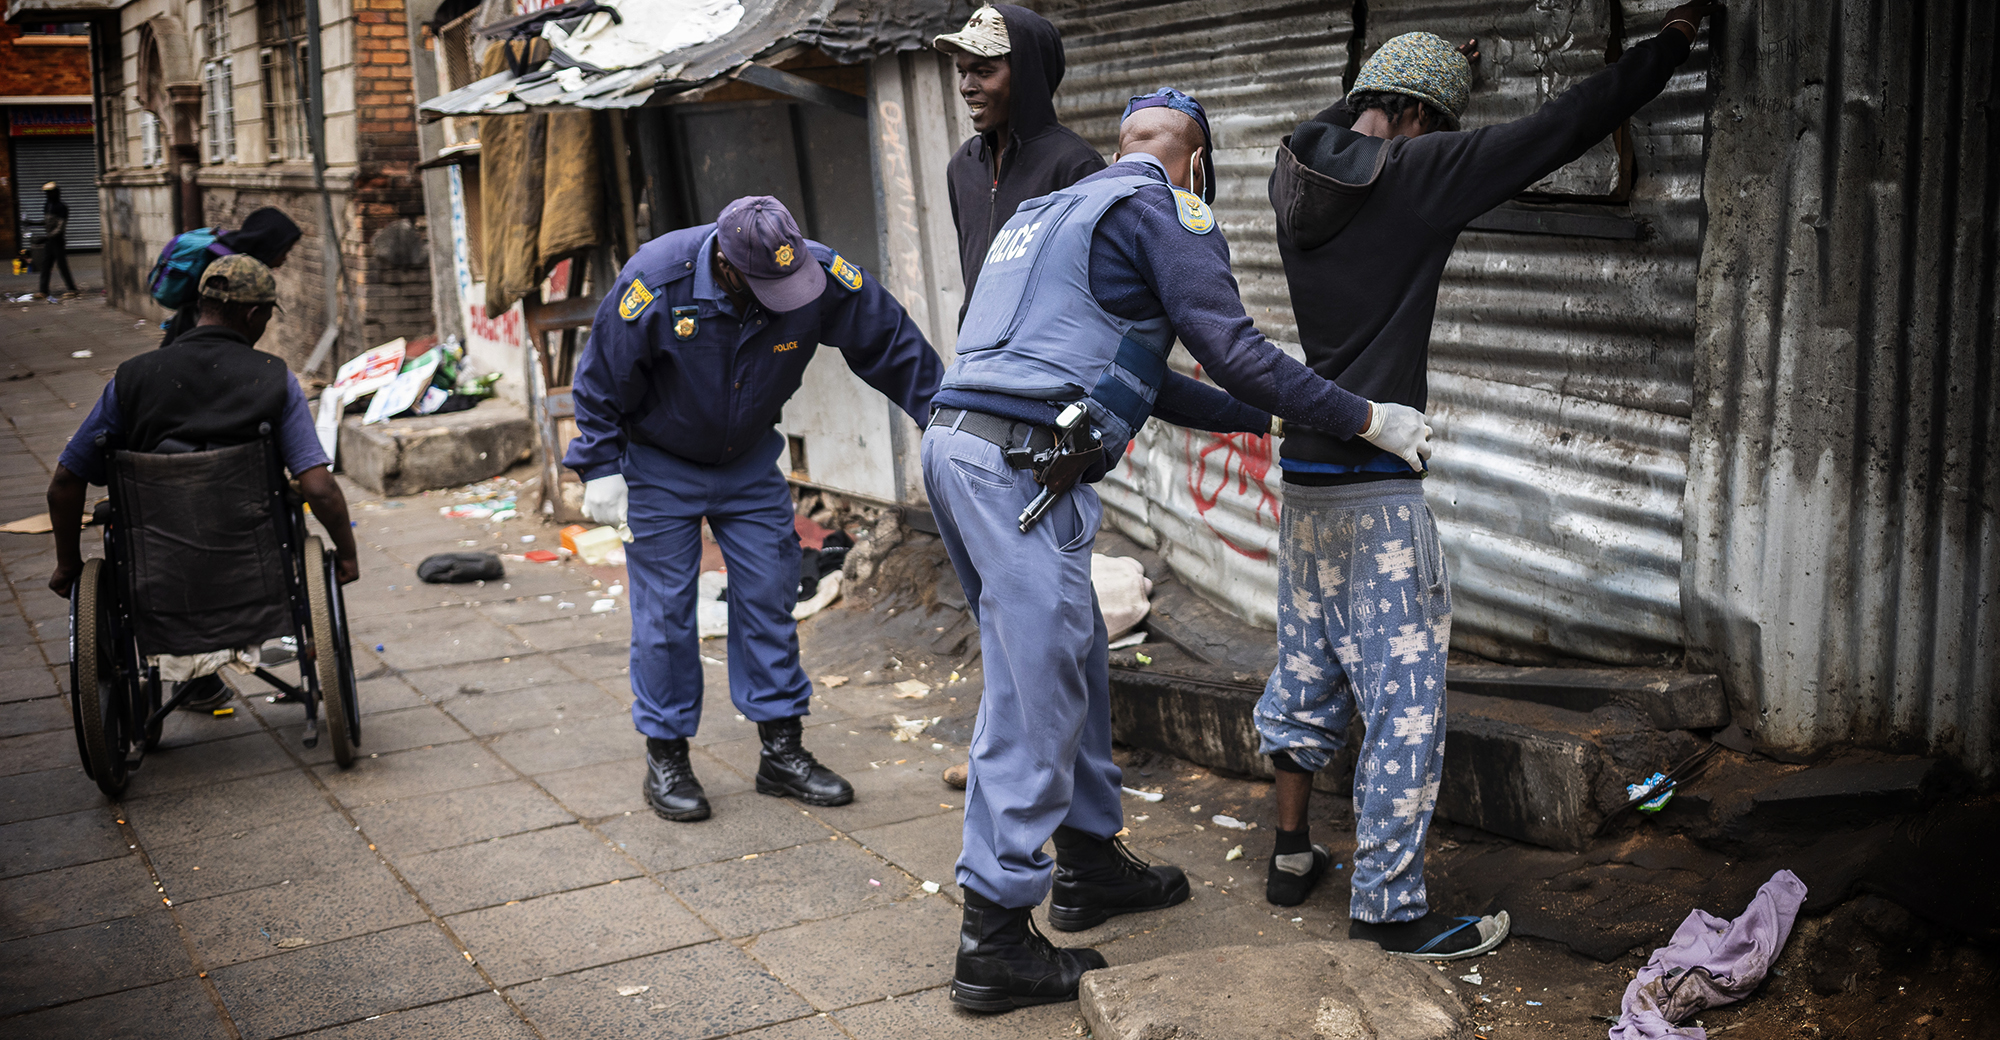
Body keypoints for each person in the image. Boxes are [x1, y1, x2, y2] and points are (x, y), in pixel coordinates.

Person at [922, 88, 1434, 1013]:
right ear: (1198, 161)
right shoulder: (1168, 206)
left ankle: (1087, 863)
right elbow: (1231, 348)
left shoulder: (1049, 211)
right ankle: (993, 941)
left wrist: (1270, 416)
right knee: (1035, 691)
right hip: (1020, 468)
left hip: (961, 446)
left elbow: (1141, 377)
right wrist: (1367, 417)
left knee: (1074, 654)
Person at [1251, 2, 1721, 959]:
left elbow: (1350, 122)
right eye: (1437, 119)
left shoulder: (1293, 169)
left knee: (1305, 669)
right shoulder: (1422, 172)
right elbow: (1562, 126)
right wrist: (1669, 44)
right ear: (1421, 119)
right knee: (1405, 707)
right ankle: (1390, 911)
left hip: (1303, 480)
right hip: (1377, 491)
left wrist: (1425, 68)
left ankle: (1290, 852)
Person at [565, 195, 943, 824]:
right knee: (665, 615)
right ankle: (667, 755)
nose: (787, 297)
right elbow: (601, 375)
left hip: (746, 460)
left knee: (769, 596)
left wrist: (945, 419)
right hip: (658, 463)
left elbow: (890, 342)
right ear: (727, 264)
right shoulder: (657, 278)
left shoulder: (812, 270)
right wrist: (598, 464)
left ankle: (781, 751)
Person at [46, 254, 359, 708]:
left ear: (203, 306)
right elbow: (318, 488)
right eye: (267, 315)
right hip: (255, 574)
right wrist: (346, 555)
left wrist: (67, 565)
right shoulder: (274, 379)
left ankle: (178, 688)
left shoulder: (131, 379)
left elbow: (64, 483)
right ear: (253, 314)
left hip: (157, 577)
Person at [936, 4, 1105, 327]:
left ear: (1028, 76)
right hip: (977, 351)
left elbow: (1096, 288)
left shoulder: (1075, 166)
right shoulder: (962, 166)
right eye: (962, 72)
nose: (966, 86)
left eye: (984, 72)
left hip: (1044, 354)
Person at [161, 208, 304, 346]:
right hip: (193, 339)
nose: (284, 258)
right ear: (269, 247)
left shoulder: (230, 250)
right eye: (284, 251)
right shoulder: (230, 268)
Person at [33, 182, 77, 299]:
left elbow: (60, 227)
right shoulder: (48, 205)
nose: (48, 195)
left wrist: (45, 238)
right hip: (50, 241)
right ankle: (43, 291)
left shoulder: (61, 207)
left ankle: (72, 289)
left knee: (62, 265)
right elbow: (47, 222)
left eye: (50, 193)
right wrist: (32, 223)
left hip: (57, 241)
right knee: (46, 266)